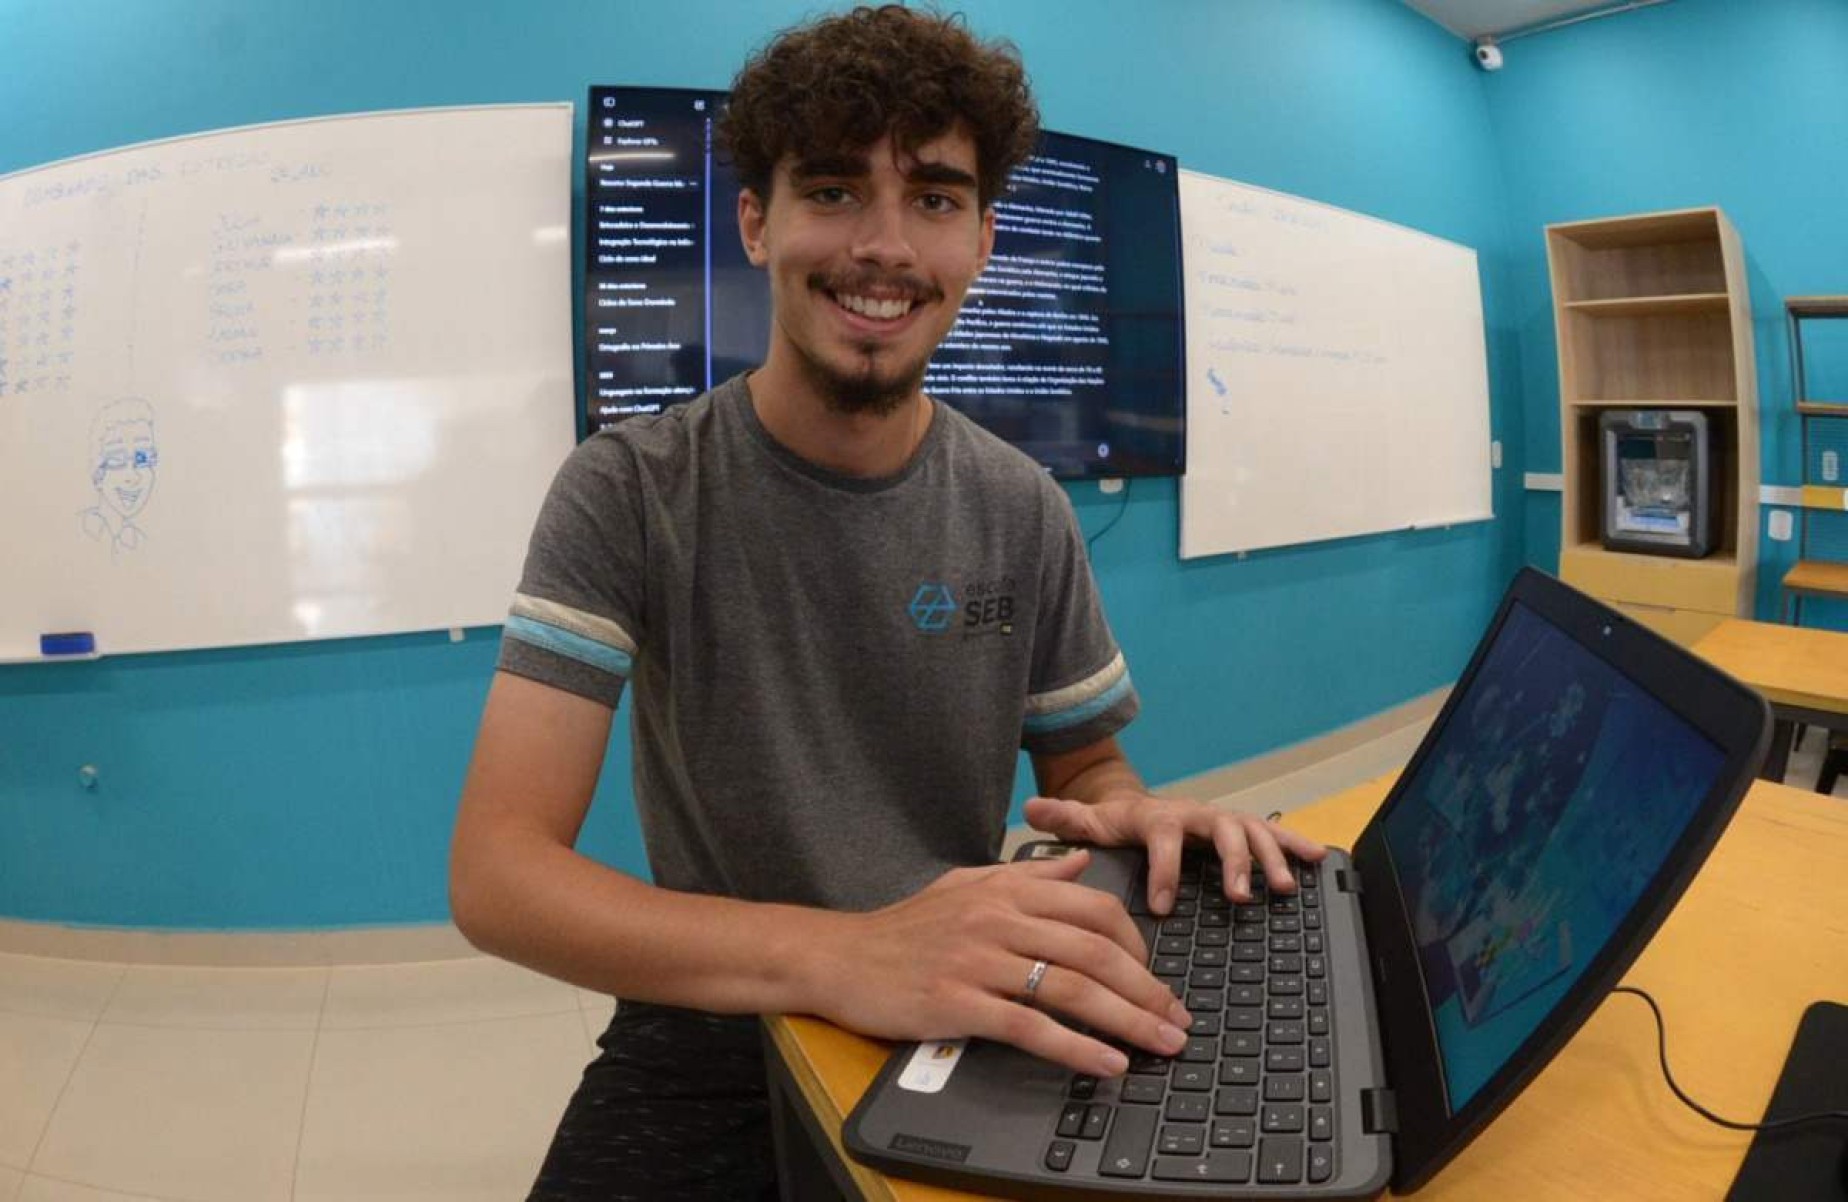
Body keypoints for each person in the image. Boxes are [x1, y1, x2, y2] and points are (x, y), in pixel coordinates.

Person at [448, 7, 1325, 1198]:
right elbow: (499, 873)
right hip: (719, 1014)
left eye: (936, 198)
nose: (885, 246)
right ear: (756, 222)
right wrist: (851, 952)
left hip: (969, 1000)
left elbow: (1087, 774)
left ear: (983, 237)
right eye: (832, 190)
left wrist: (1134, 814)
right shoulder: (632, 489)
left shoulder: (1022, 505)